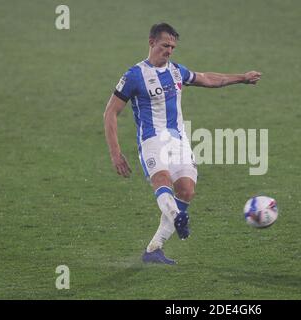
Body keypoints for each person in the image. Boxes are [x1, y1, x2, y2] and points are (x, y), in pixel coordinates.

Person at [103, 23, 261, 265]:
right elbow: (110, 112)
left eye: (173, 47)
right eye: (165, 45)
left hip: (178, 140)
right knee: (162, 181)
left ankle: (154, 250)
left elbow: (207, 78)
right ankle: (178, 217)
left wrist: (241, 78)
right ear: (151, 42)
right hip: (151, 140)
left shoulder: (176, 71)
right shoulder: (134, 75)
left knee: (186, 189)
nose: (169, 50)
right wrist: (115, 153)